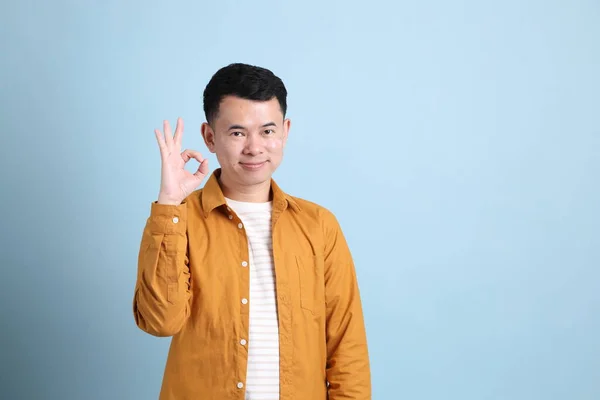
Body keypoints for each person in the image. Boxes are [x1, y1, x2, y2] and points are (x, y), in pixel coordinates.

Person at [132, 63, 371, 399]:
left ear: (285, 131)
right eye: (237, 132)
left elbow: (347, 349)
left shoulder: (320, 226)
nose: (254, 147)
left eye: (268, 131)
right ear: (210, 137)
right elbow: (160, 322)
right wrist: (170, 202)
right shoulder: (176, 220)